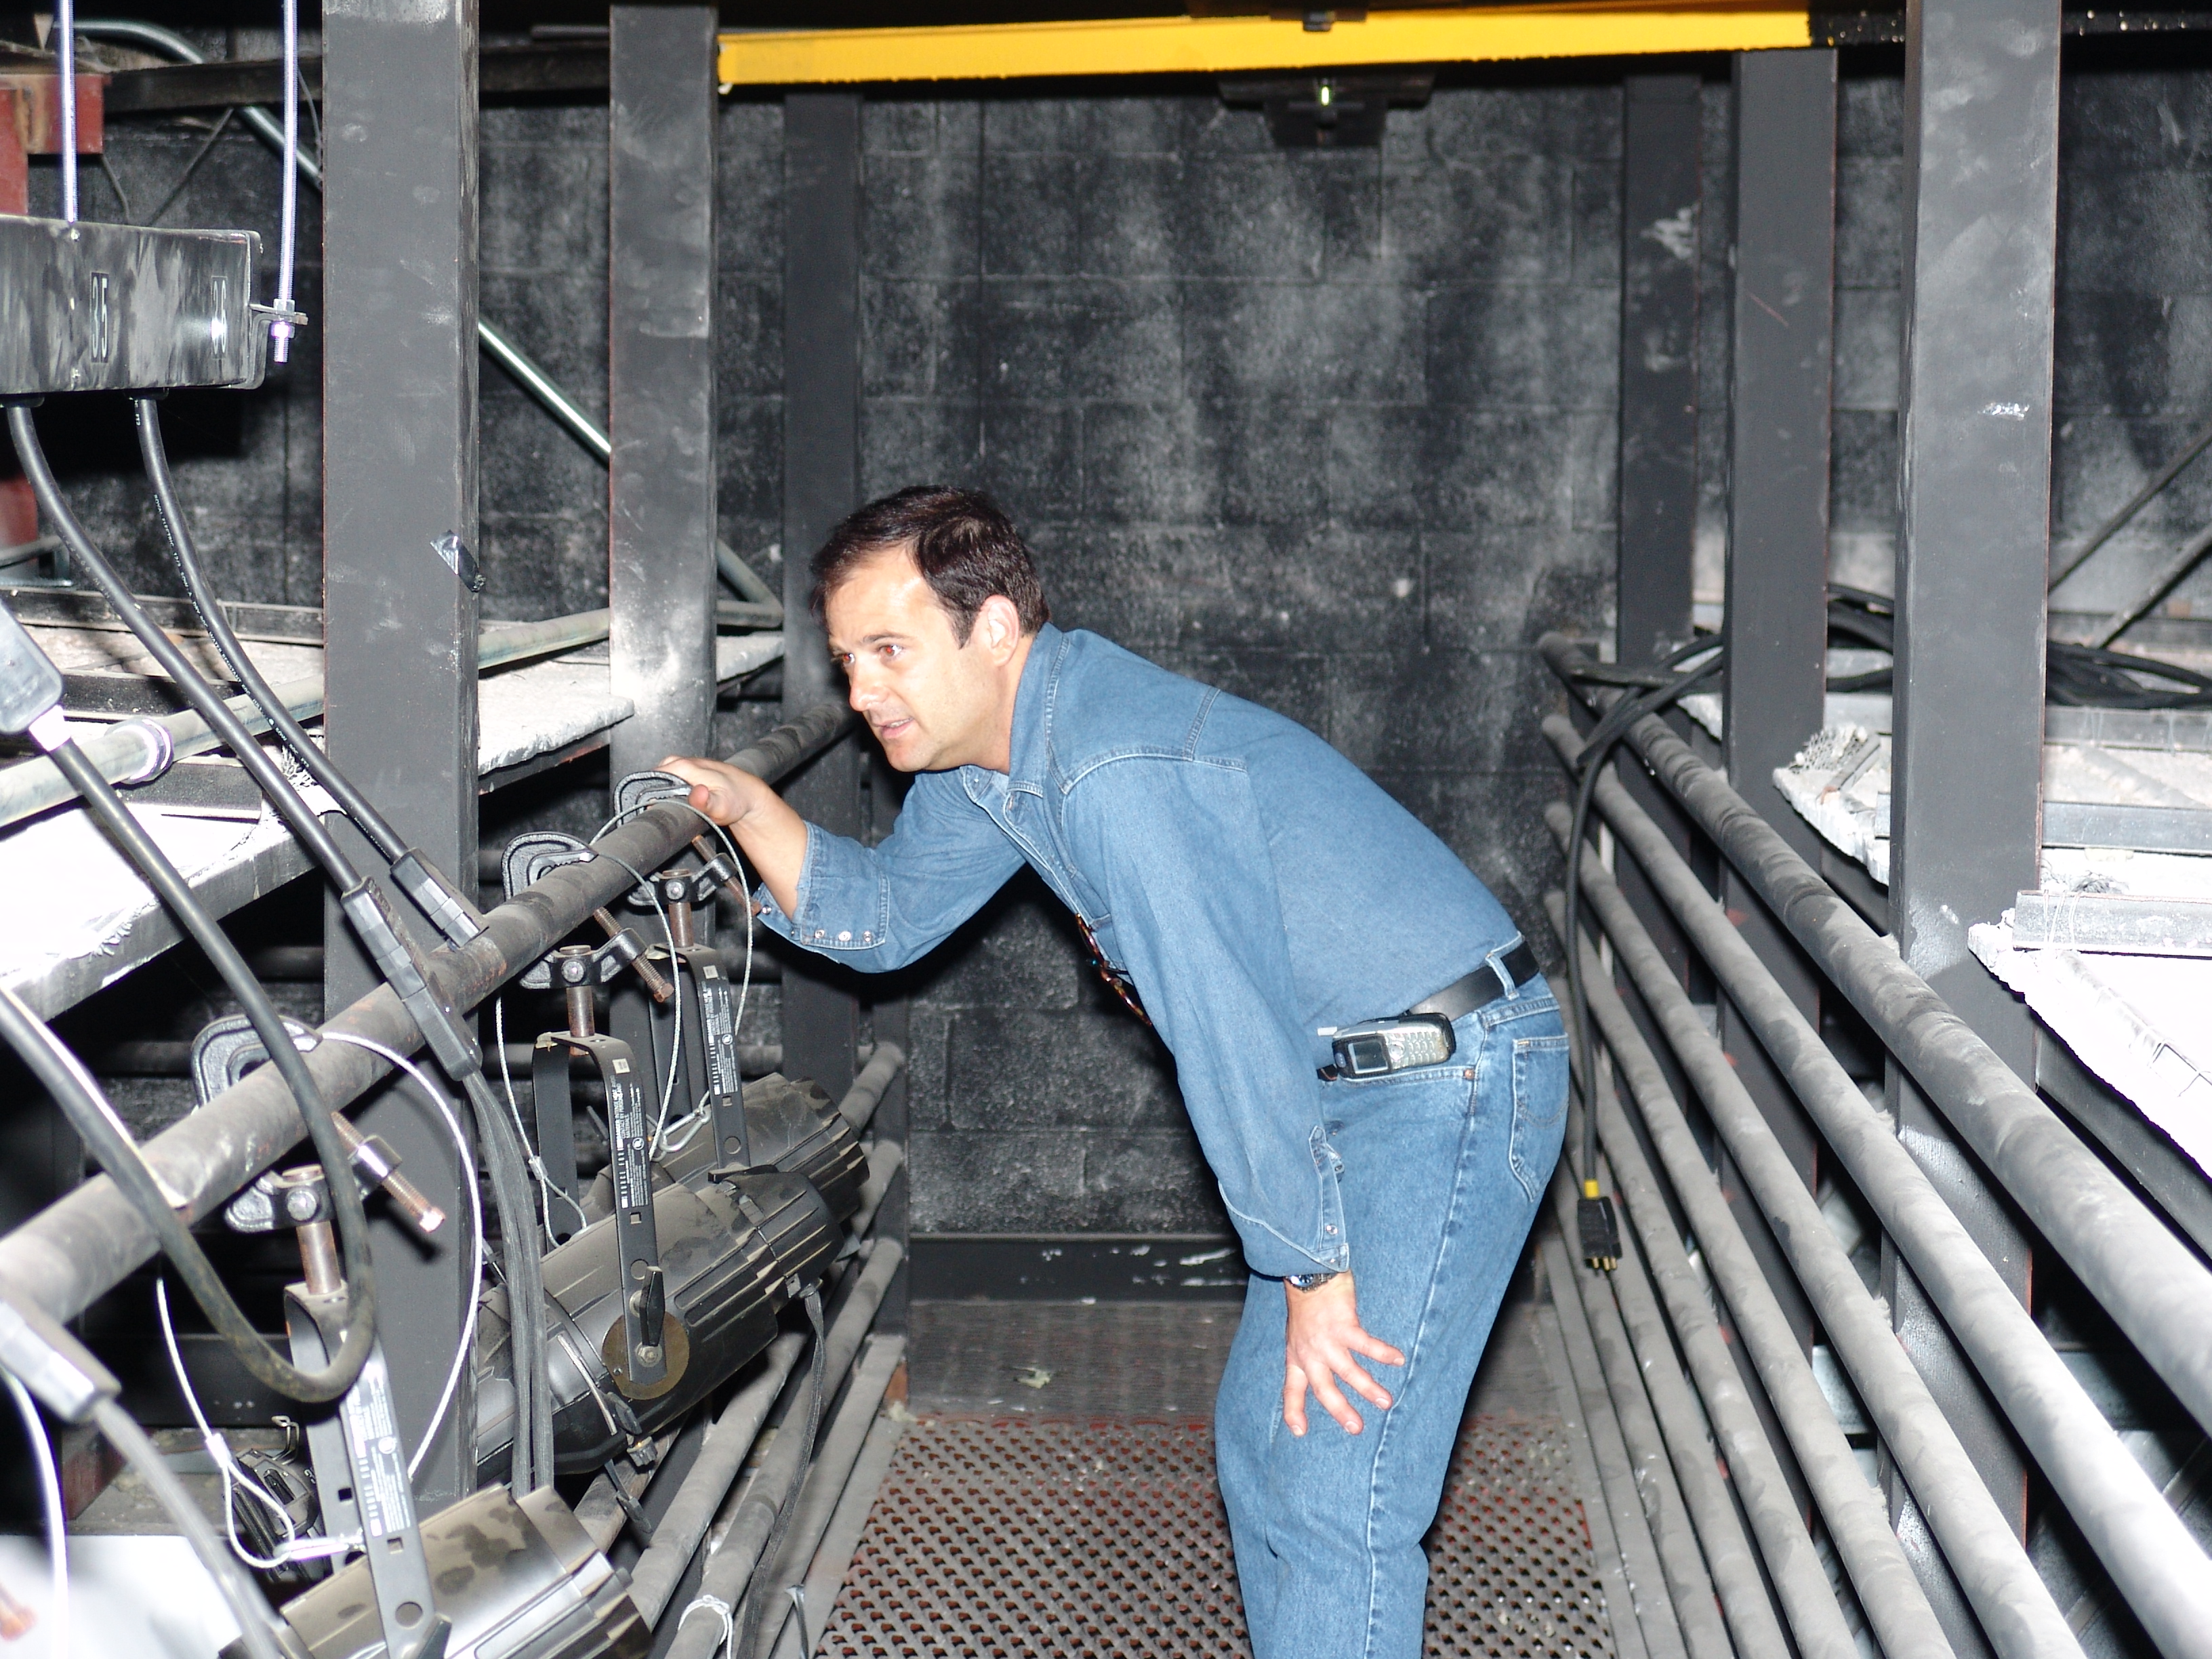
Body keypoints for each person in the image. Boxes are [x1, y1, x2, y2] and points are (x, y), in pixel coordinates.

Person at [663, 485, 1568, 1659]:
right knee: (1264, 1450)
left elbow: (1229, 1030)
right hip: (1353, 1084)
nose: (862, 693)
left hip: (1447, 1081)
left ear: (993, 627)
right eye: (846, 662)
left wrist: (1312, 1271)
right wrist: (751, 811)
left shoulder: (1109, 771)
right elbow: (884, 916)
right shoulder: (994, 758)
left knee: (1339, 1491)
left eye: (888, 651)